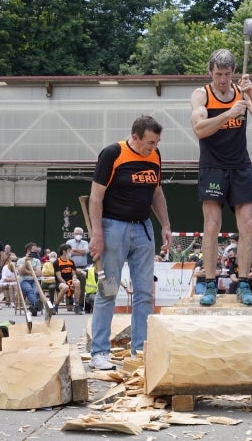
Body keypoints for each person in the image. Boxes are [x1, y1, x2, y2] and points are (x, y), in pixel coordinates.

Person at [87, 115, 172, 370]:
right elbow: (95, 197)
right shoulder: (113, 154)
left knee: (145, 293)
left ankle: (140, 350)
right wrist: (97, 233)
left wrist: (165, 225)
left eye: (156, 142)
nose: (153, 147)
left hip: (143, 229)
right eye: (149, 142)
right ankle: (99, 352)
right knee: (108, 291)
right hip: (114, 229)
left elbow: (157, 192)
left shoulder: (155, 157)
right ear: (135, 137)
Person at [190, 48, 252, 307]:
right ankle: (211, 283)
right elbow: (199, 129)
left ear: (234, 72)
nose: (223, 79)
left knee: (248, 224)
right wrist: (228, 114)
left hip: (240, 166)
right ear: (210, 72)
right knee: (212, 225)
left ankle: (244, 283)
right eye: (218, 74)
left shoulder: (242, 92)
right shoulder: (202, 94)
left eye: (227, 74)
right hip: (213, 166)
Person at [65, 227, 90, 313]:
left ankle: (80, 305)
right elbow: (68, 253)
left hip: (83, 268)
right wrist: (80, 252)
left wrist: (74, 251)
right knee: (69, 285)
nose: (78, 235)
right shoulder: (69, 242)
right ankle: (69, 304)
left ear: (82, 235)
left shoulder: (85, 242)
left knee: (82, 287)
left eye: (80, 233)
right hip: (70, 267)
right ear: (73, 234)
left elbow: (85, 252)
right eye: (76, 233)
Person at [17, 242, 43, 316]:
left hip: (35, 280)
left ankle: (34, 308)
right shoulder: (21, 260)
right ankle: (36, 304)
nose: (36, 252)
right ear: (28, 250)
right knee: (29, 289)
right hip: (24, 280)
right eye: (34, 250)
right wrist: (26, 263)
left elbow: (38, 273)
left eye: (36, 251)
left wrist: (27, 271)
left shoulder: (37, 261)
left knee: (36, 291)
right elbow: (21, 272)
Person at [51, 244, 77, 314]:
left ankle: (78, 306)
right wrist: (68, 285)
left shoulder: (71, 262)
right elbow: (59, 277)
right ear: (64, 251)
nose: (70, 252)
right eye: (69, 250)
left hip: (70, 281)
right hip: (60, 283)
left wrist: (74, 279)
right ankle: (55, 306)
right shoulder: (57, 262)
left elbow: (74, 274)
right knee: (65, 287)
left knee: (78, 283)